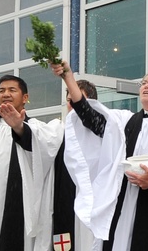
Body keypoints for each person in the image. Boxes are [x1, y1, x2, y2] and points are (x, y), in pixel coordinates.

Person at [51, 62, 148, 251]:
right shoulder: (123, 121)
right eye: (144, 82)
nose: (146, 85)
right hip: (123, 200)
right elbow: (91, 118)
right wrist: (68, 77)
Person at [0, 74, 63, 250]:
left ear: (25, 97)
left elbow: (45, 150)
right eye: (1, 90)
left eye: (12, 90)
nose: (6, 94)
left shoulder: (36, 127)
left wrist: (19, 128)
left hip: (19, 207)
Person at [53, 79, 98, 250]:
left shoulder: (100, 133)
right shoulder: (58, 132)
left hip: (91, 203)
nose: (71, 104)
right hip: (65, 200)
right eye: (68, 99)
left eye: (77, 99)